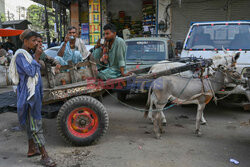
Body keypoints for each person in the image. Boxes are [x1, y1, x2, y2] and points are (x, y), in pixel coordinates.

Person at [8, 29, 56, 167]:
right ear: (25, 41)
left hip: (34, 93)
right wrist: (36, 57)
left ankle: (31, 149)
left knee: (31, 123)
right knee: (35, 123)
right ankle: (44, 156)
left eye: (37, 40)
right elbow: (30, 71)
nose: (36, 43)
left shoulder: (28, 54)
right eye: (34, 41)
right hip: (28, 95)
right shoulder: (21, 55)